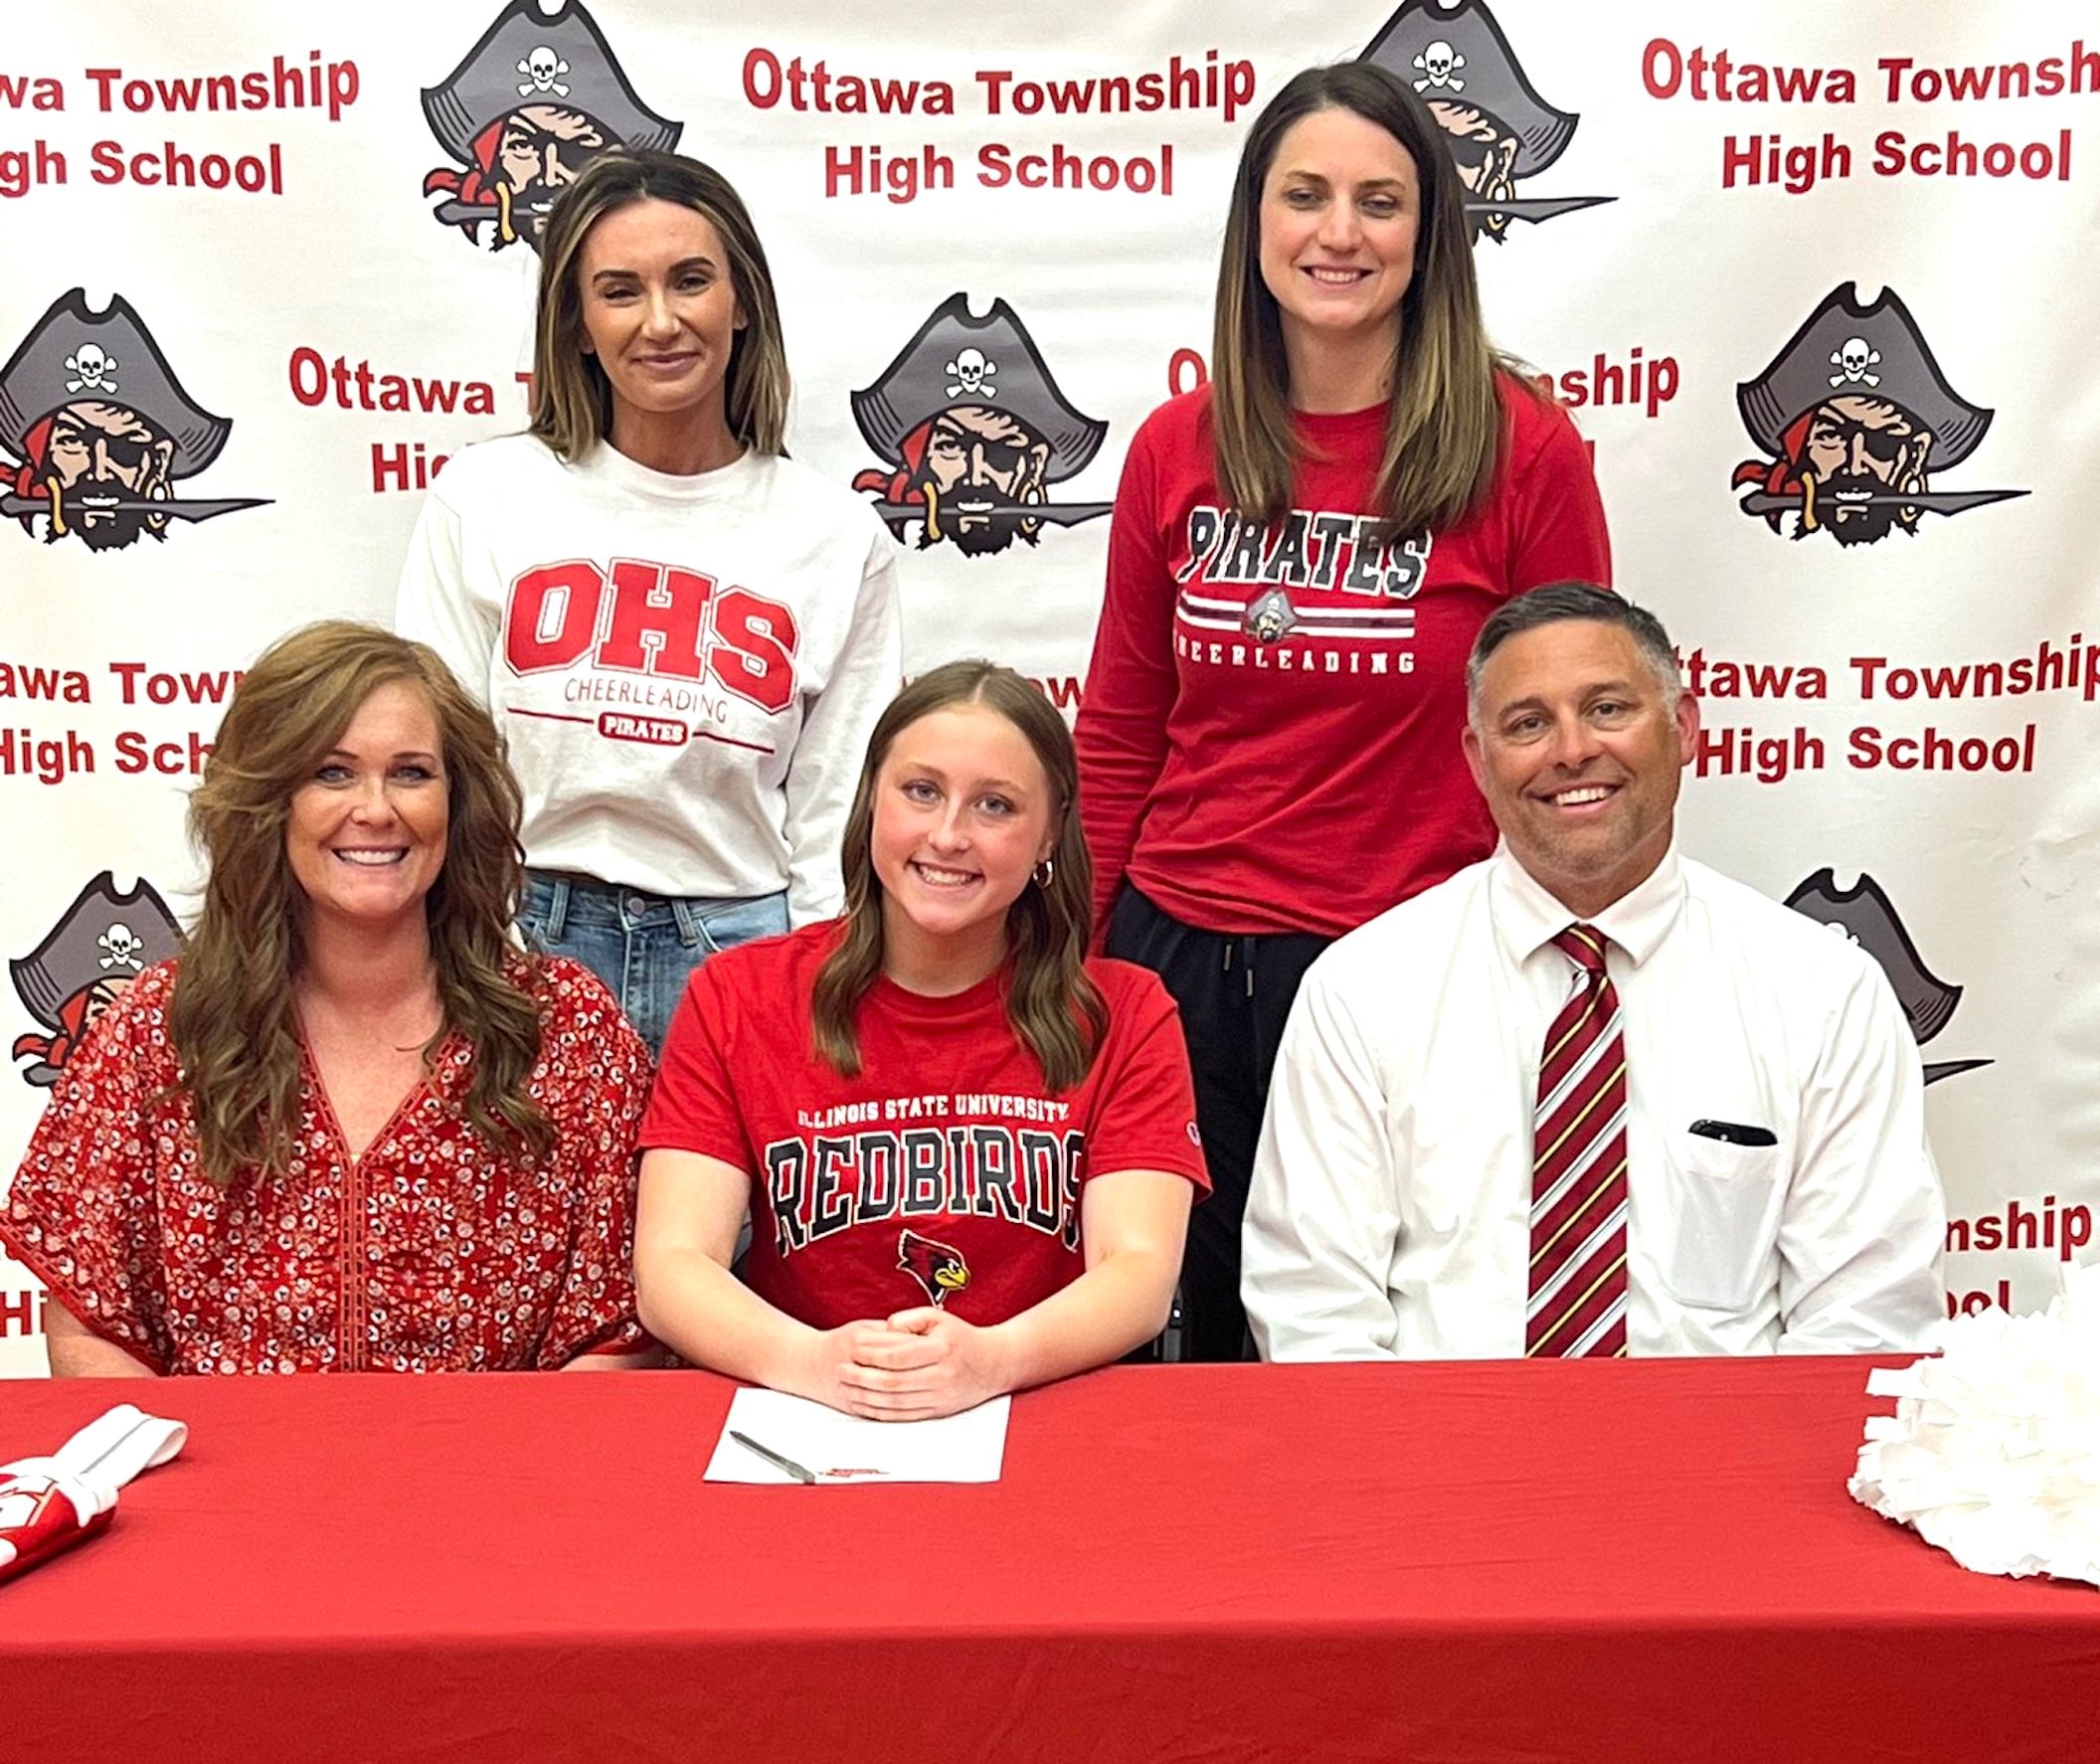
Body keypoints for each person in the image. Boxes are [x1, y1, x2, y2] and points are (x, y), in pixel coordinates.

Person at [1074, 62, 1610, 1360]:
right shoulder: (1176, 447)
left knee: (1386, 1343)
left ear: (1429, 238)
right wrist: (1073, 964)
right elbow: (1121, 731)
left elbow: (1576, 746)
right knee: (1181, 1348)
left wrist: (1548, 968)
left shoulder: (1522, 450)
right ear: (1256, 221)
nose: (1339, 232)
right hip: (1176, 962)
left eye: (1380, 201)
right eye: (1305, 194)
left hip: (1407, 966)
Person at [1243, 584, 1947, 1359]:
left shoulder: (1823, 993)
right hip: (1435, 1460)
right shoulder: (1362, 991)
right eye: (1528, 723)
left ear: (1683, 728)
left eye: (1609, 708)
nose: (1572, 750)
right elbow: (1312, 1312)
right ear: (1478, 760)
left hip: (1722, 1466)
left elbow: (1866, 1319)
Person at [1, 622, 656, 1376]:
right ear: (269, 802)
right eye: (331, 773)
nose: (375, 810)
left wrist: (505, 1490)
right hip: (217, 1488)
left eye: (411, 773)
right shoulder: (162, 1028)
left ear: (458, 803)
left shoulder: (563, 1031)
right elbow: (92, 1326)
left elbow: (616, 1334)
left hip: (494, 1484)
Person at [397, 148, 901, 1054]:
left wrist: (816, 984)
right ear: (579, 326)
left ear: (742, 302)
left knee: (720, 1208)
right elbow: (436, 755)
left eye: (691, 281)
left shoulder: (836, 535)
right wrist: (471, 943)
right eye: (620, 291)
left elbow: (837, 815)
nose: (661, 322)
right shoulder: (486, 495)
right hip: (525, 934)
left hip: (741, 943)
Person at [635, 661, 1208, 1419]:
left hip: (1040, 1406)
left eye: (995, 806)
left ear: (1050, 834)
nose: (948, 835)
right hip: (804, 1414)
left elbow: (1136, 1271)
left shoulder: (1126, 1013)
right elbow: (673, 1265)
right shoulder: (736, 996)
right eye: (922, 791)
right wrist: (816, 1363)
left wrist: (992, 1361)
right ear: (871, 797)